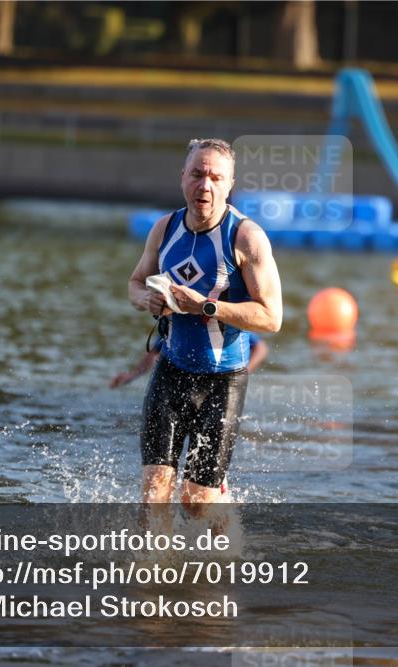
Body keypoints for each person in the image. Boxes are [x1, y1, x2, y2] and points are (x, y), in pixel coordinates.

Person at [127, 138, 282, 515]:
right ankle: (155, 573)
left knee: (195, 504)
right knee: (154, 494)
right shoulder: (164, 229)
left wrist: (208, 306)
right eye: (197, 174)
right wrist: (145, 299)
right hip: (171, 370)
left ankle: (220, 512)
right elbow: (135, 283)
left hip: (223, 381)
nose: (205, 185)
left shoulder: (246, 237)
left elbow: (271, 317)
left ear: (229, 185)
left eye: (215, 177)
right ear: (183, 178)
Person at [110, 323, 269, 388]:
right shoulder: (176, 317)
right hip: (183, 378)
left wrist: (242, 374)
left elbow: (261, 348)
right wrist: (132, 375)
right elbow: (156, 352)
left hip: (223, 378)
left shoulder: (220, 315)